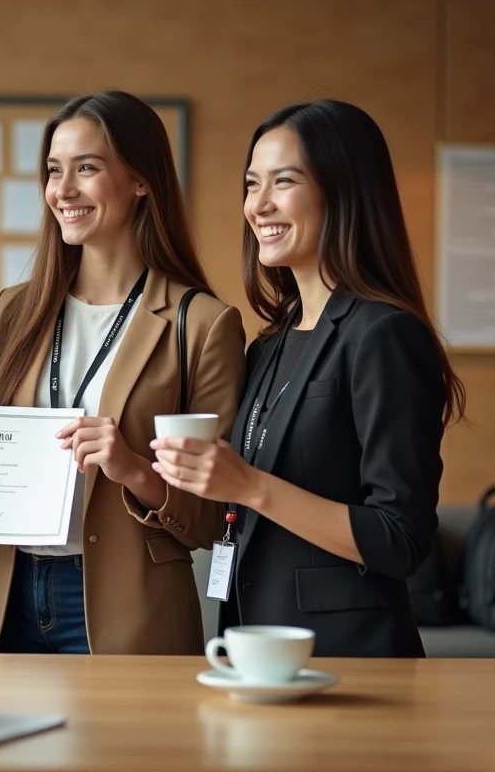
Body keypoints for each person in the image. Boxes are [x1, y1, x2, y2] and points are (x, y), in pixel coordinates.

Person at [151, 99, 467, 658]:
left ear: (344, 191)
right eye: (252, 184)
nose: (259, 205)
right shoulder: (271, 342)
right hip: (255, 650)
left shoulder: (383, 334)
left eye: (284, 182)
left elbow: (401, 538)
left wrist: (249, 486)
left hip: (348, 658)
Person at [0, 91, 247, 655]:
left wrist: (130, 467)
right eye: (53, 171)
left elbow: (213, 516)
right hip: (8, 599)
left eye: (86, 169)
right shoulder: (13, 311)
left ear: (141, 180)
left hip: (130, 610)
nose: (62, 191)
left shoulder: (204, 324)